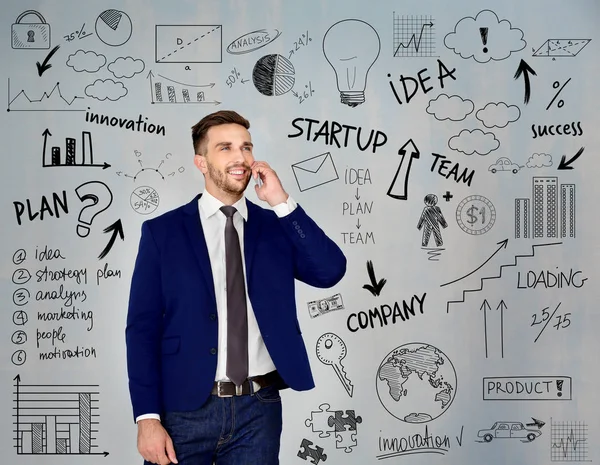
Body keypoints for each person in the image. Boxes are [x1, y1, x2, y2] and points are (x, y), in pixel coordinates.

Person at [126, 110, 346, 465]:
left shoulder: (275, 227)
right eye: (225, 148)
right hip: (183, 410)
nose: (240, 157)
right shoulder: (162, 233)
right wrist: (147, 418)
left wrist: (281, 202)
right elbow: (142, 329)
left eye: (246, 147)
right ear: (202, 161)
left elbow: (330, 271)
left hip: (257, 410)